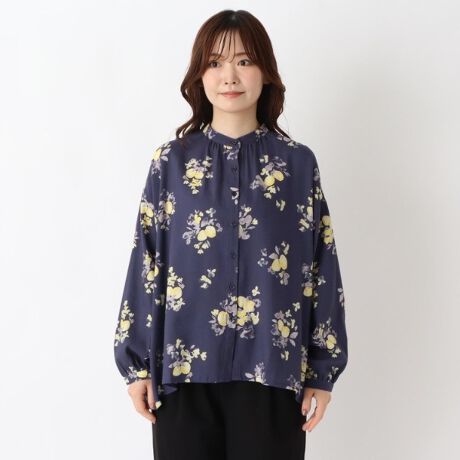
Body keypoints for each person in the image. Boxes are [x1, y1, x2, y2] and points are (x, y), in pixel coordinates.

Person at [113, 9, 348, 460]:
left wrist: (322, 370)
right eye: (215, 62)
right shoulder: (171, 163)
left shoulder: (297, 164)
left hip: (272, 371)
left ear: (265, 71)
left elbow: (322, 266)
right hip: (183, 371)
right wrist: (137, 364)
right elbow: (147, 260)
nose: (229, 76)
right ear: (199, 74)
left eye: (244, 61)